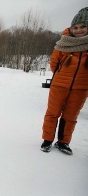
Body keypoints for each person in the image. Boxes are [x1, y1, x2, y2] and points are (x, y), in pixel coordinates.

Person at [40, 7, 88, 155]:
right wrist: (62, 76)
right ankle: (47, 140)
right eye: (76, 27)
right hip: (59, 85)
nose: (79, 30)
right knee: (53, 113)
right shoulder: (63, 44)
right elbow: (54, 64)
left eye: (83, 27)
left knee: (70, 116)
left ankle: (63, 142)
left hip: (81, 87)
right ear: (71, 28)